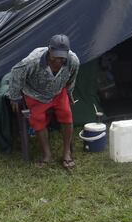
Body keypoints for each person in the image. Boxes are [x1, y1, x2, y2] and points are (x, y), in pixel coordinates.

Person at [9, 34, 80, 169]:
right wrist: (14, 96)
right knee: (38, 120)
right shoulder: (33, 61)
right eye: (55, 56)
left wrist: (69, 92)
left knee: (67, 116)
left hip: (58, 92)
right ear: (49, 50)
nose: (58, 60)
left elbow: (72, 78)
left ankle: (67, 153)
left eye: (62, 57)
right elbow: (16, 72)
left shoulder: (73, 61)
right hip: (35, 94)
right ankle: (47, 155)